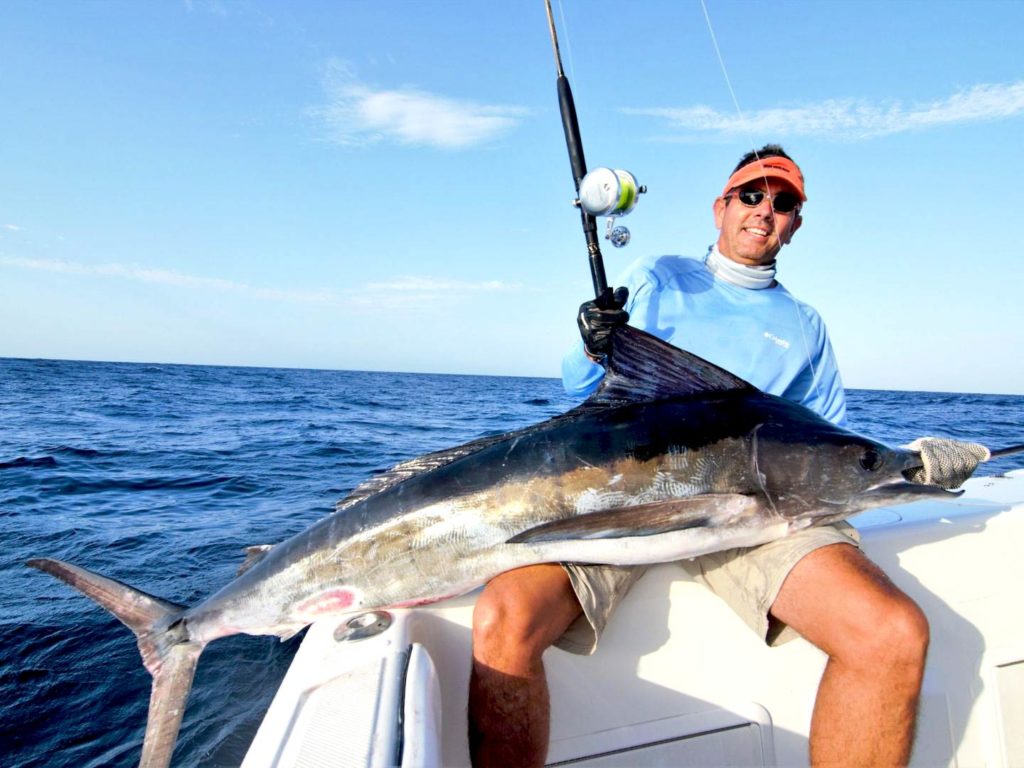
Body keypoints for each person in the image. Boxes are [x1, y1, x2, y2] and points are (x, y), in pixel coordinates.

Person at [467, 144, 990, 767]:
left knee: (892, 633)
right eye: (750, 194)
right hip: (628, 497)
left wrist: (911, 463)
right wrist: (592, 343)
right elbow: (582, 392)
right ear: (720, 207)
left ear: (795, 224)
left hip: (759, 512)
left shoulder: (804, 324)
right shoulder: (661, 275)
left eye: (783, 202)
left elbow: (828, 442)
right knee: (505, 617)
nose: (764, 210)